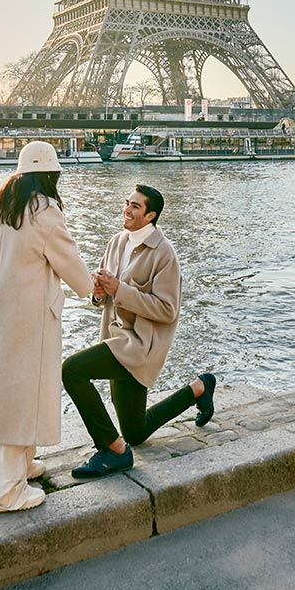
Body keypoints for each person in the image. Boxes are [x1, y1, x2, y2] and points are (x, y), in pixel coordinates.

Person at [0, 141, 93, 511]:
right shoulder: (45, 210)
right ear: (51, 175)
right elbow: (67, 259)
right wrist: (92, 292)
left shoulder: (1, 204)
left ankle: (24, 463)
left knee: (12, 389)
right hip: (29, 315)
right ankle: (3, 492)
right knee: (23, 394)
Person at [62, 184, 216, 478]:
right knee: (135, 432)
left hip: (138, 344)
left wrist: (120, 289)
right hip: (115, 337)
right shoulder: (117, 242)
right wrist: (98, 293)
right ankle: (198, 388)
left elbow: (167, 310)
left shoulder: (164, 254)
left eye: (135, 206)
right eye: (126, 203)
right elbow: (104, 297)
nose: (127, 210)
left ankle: (112, 451)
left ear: (150, 216)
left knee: (71, 370)